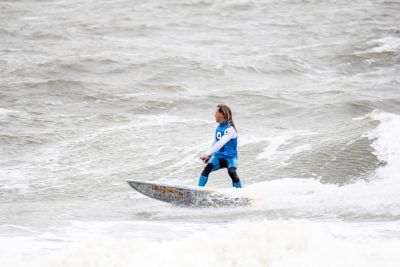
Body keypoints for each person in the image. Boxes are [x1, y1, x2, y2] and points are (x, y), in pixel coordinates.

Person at [198, 104, 242, 188]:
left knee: (232, 172)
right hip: (218, 156)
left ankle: (240, 193)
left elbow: (220, 143)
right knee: (206, 169)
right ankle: (198, 190)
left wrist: (206, 153)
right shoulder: (218, 127)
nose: (214, 114)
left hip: (230, 158)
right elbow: (216, 142)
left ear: (222, 114)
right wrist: (210, 155)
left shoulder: (230, 130)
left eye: (216, 112)